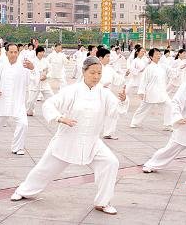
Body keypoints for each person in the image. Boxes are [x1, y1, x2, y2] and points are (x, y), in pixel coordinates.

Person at [10, 56, 128, 215]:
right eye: (92, 72)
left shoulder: (104, 93)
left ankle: (102, 202)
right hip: (67, 140)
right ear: (83, 71)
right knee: (44, 169)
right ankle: (23, 191)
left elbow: (115, 111)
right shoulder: (72, 90)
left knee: (111, 162)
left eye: (99, 73)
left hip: (92, 142)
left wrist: (122, 101)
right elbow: (49, 104)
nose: (96, 76)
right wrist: (59, 118)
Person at [130, 48, 172, 130]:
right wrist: (141, 92)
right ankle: (134, 122)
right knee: (144, 108)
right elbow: (144, 80)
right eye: (156, 54)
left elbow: (170, 74)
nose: (158, 56)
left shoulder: (162, 67)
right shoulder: (149, 68)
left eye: (159, 54)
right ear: (151, 57)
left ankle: (167, 124)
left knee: (169, 105)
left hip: (161, 92)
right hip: (151, 92)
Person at [96, 48, 125, 139]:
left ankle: (108, 132)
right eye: (107, 56)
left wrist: (124, 79)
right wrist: (100, 85)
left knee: (114, 109)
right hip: (95, 92)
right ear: (100, 58)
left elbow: (118, 79)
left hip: (107, 93)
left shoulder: (109, 68)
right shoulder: (94, 67)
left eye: (109, 56)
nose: (109, 58)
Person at [27, 46, 54, 116]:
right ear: (37, 53)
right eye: (40, 52)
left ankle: (53, 112)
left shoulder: (45, 61)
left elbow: (51, 70)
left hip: (44, 84)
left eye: (43, 52)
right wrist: (37, 78)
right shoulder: (32, 61)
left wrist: (46, 76)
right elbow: (29, 73)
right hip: (35, 84)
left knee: (51, 97)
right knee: (31, 101)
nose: (42, 53)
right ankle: (30, 111)